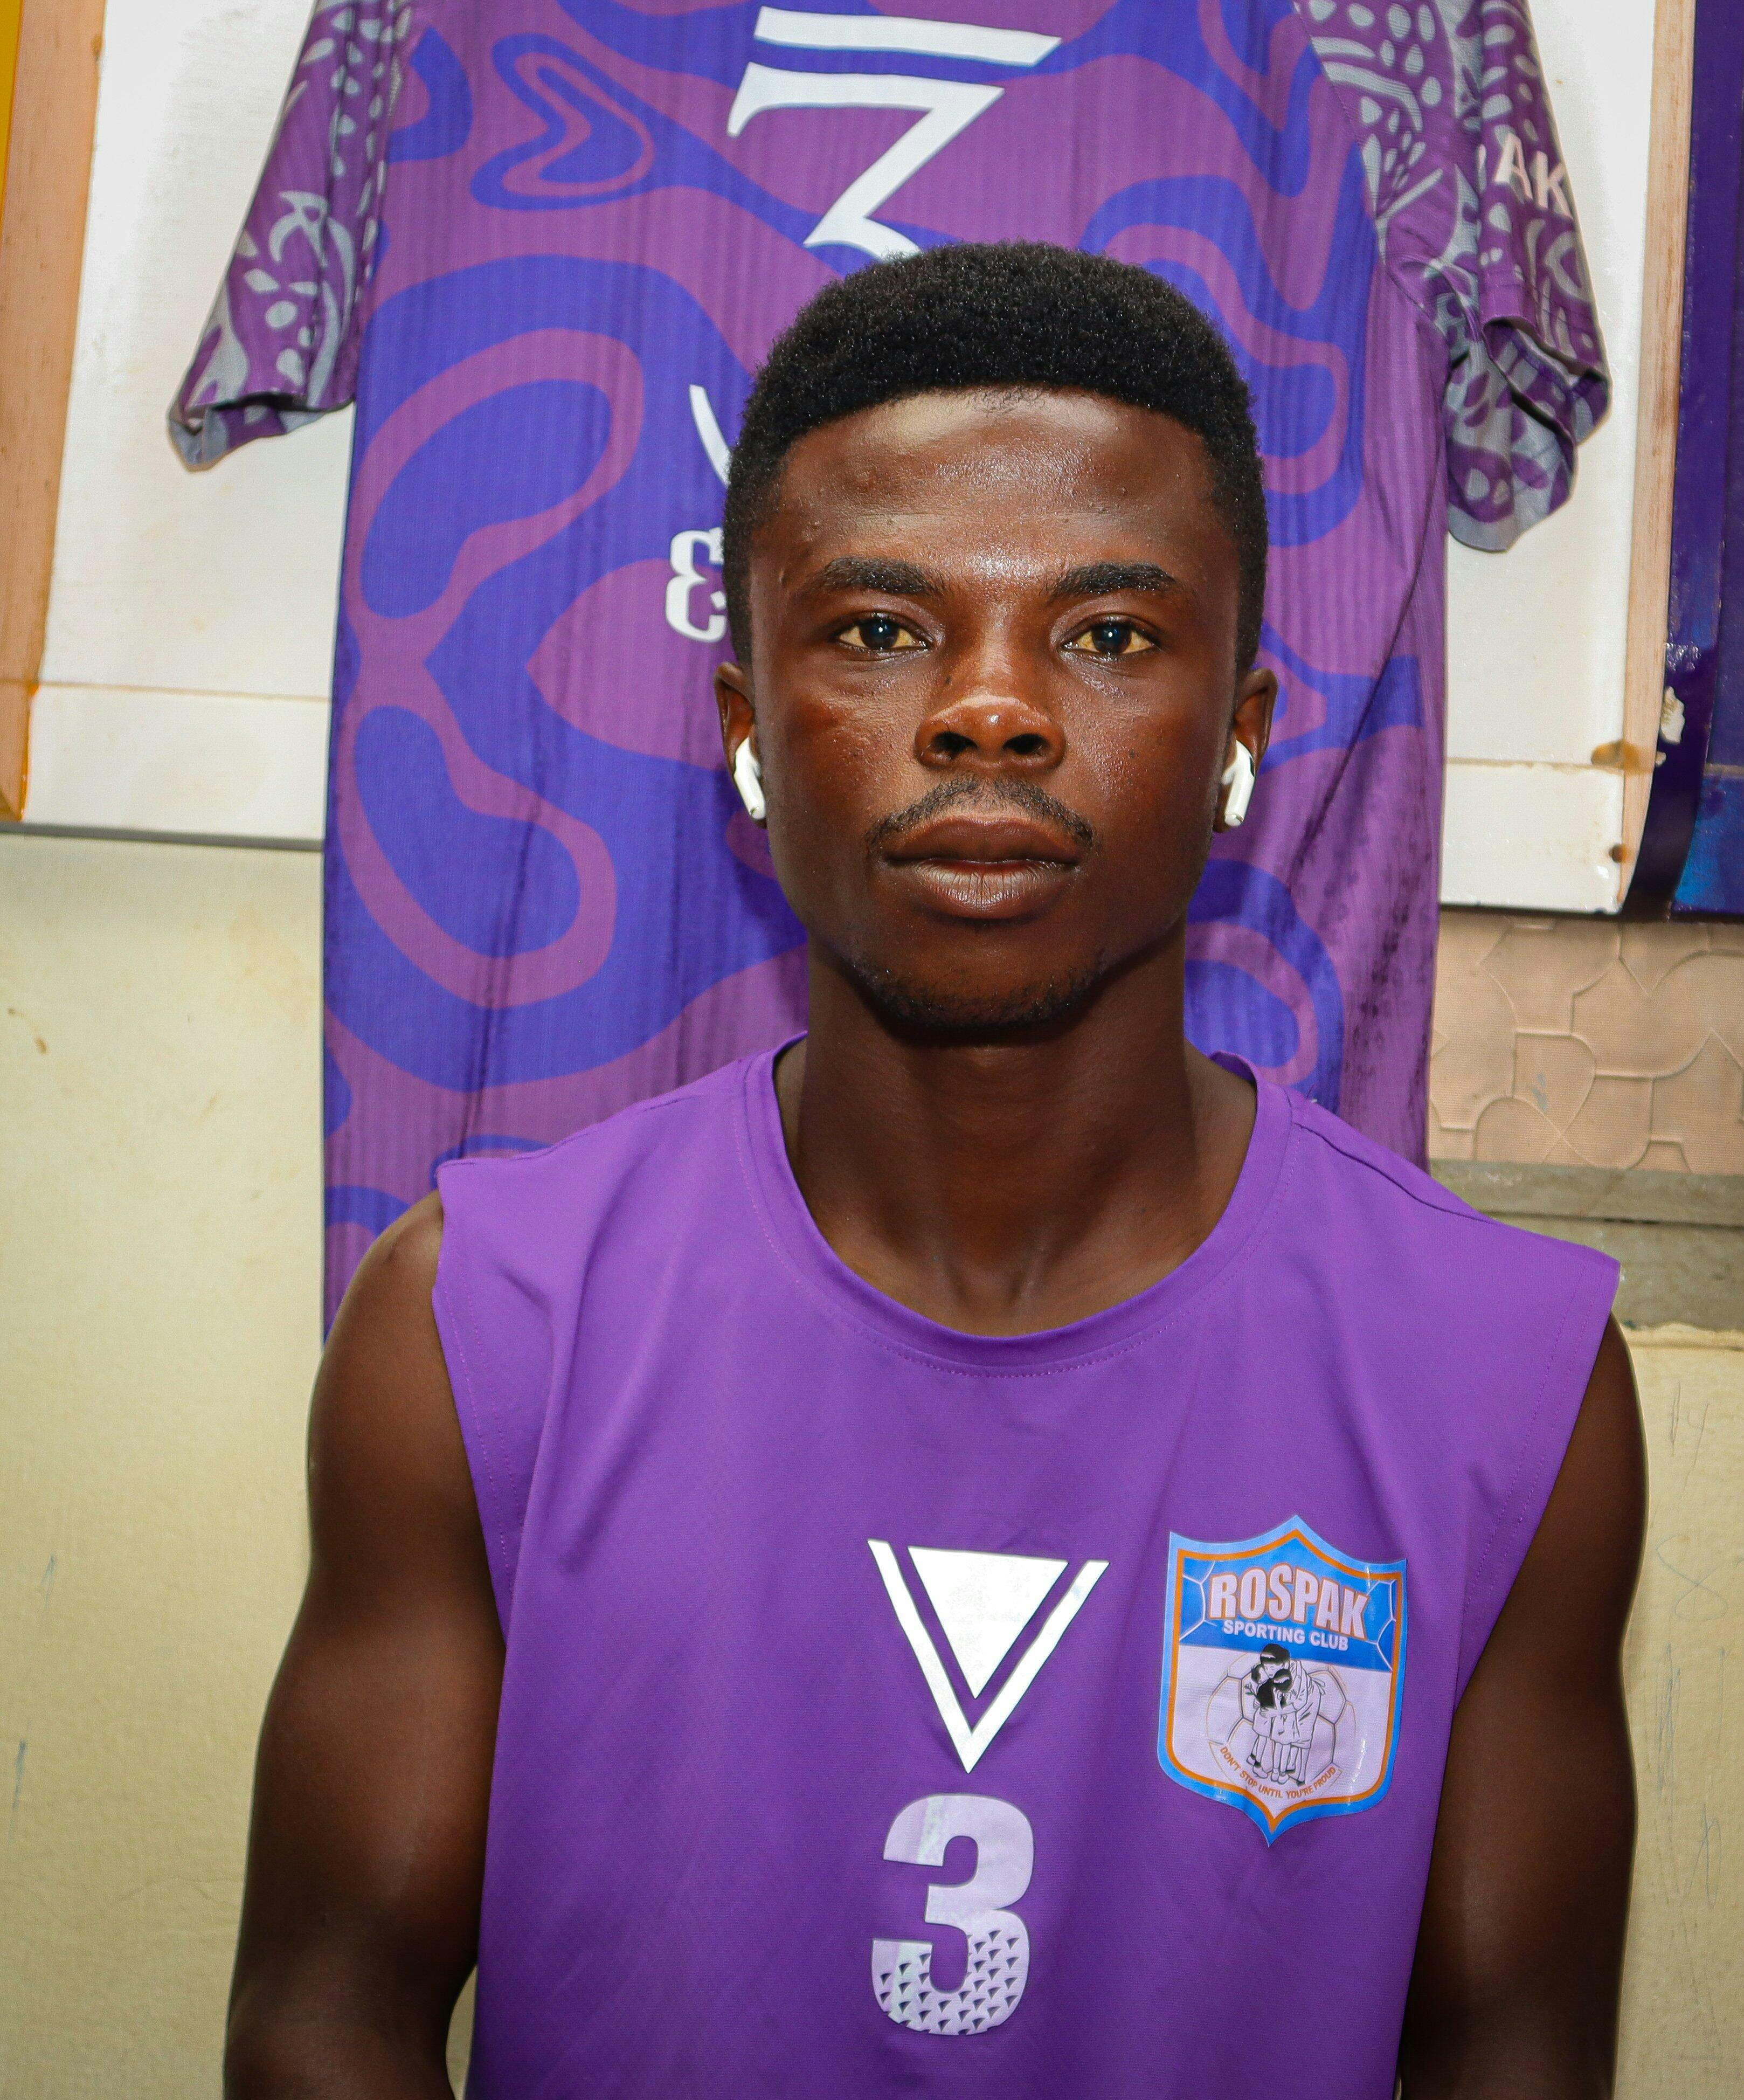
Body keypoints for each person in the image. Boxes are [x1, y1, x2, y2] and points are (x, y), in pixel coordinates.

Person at [224, 244, 1644, 2099]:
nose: (991, 710)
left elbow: (1514, 2060)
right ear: (747, 732)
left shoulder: (1502, 1377)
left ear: (1240, 738)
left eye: (1107, 635)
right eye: (883, 630)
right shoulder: (482, 1321)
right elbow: (324, 2022)